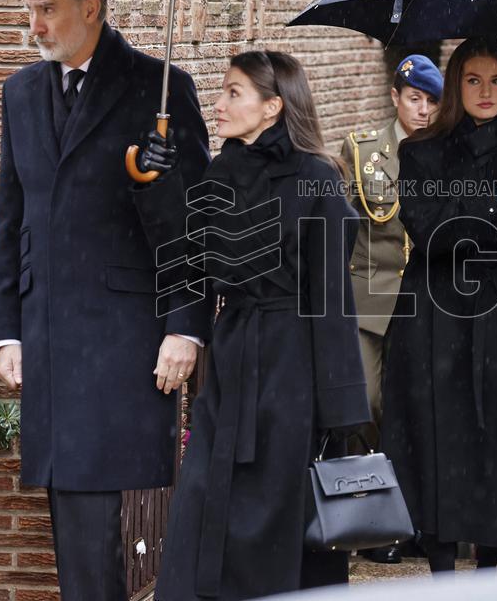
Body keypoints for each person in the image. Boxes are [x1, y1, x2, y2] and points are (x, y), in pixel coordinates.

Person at [0, 0, 211, 599]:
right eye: (30, 10)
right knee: (69, 505)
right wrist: (8, 329)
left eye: (47, 10)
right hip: (49, 336)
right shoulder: (21, 91)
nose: (35, 26)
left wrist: (186, 327)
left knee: (89, 511)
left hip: (124, 334)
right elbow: (12, 215)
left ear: (91, 7)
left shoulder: (159, 88)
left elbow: (191, 226)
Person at [156, 51, 370, 600]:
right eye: (222, 91)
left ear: (272, 107)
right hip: (232, 358)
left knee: (276, 519)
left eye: (234, 93)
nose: (219, 103)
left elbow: (332, 301)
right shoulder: (221, 169)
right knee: (204, 499)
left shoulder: (319, 177)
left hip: (292, 368)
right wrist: (157, 180)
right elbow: (189, 261)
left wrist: (341, 411)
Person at [382, 37, 497, 573]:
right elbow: (432, 233)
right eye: (474, 80)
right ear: (456, 85)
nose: (486, 91)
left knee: (496, 445)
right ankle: (438, 566)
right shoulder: (423, 150)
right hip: (436, 321)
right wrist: (494, 199)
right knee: (436, 444)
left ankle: (488, 569)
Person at [340, 54, 442, 565]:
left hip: (424, 302)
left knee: (413, 414)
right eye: (414, 99)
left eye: (431, 101)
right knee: (368, 405)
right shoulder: (361, 151)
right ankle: (366, 519)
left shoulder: (447, 155)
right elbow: (342, 229)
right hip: (369, 298)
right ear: (396, 97)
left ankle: (402, 525)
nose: (422, 110)